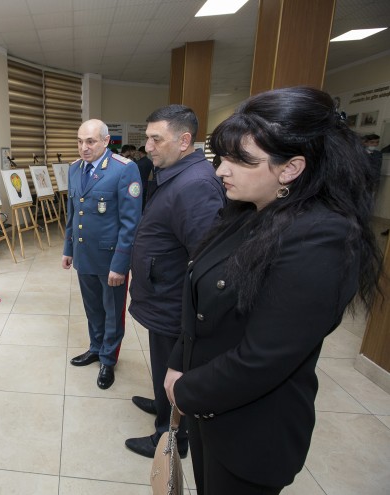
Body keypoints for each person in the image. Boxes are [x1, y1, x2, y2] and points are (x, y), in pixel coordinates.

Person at [164, 87, 381, 494]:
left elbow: (263, 359)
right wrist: (178, 363)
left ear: (291, 168)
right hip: (209, 407)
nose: (220, 171)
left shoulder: (323, 238)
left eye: (239, 160)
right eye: (222, 157)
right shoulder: (248, 210)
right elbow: (201, 305)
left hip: (251, 433)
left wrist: (185, 390)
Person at [125, 105, 225, 459]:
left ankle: (170, 438)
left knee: (173, 368)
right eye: (147, 138)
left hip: (174, 302)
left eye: (156, 139)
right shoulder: (176, 174)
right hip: (162, 295)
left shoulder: (196, 184)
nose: (148, 147)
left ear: (184, 141)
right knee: (161, 365)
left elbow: (205, 260)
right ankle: (160, 404)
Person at [62, 119, 142, 389]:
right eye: (80, 141)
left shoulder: (124, 170)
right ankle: (96, 347)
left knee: (112, 312)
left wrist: (121, 265)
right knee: (92, 308)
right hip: (85, 256)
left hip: (111, 260)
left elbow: (131, 223)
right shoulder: (74, 169)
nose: (84, 147)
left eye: (91, 141)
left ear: (106, 141)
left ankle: (108, 359)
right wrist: (68, 249)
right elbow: (73, 213)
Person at [134, 145, 153, 209]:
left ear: (140, 152)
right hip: (147, 183)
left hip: (138, 184)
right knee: (144, 200)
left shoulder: (138, 163)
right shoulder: (150, 162)